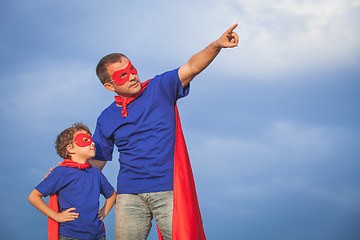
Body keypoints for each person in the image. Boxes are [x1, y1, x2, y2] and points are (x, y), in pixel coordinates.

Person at [90, 23, 239, 240]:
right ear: (109, 86)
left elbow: (191, 67)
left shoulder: (160, 87)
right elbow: (97, 162)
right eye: (122, 75)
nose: (132, 76)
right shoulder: (106, 117)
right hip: (128, 195)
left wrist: (217, 45)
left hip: (169, 190)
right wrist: (67, 176)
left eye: (132, 69)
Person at [29, 123, 117, 240]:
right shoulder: (61, 172)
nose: (92, 143)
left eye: (91, 140)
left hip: (98, 235)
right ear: (70, 148)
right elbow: (34, 196)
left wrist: (104, 212)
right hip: (70, 235)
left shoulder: (96, 173)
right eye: (85, 140)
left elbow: (112, 195)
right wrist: (56, 216)